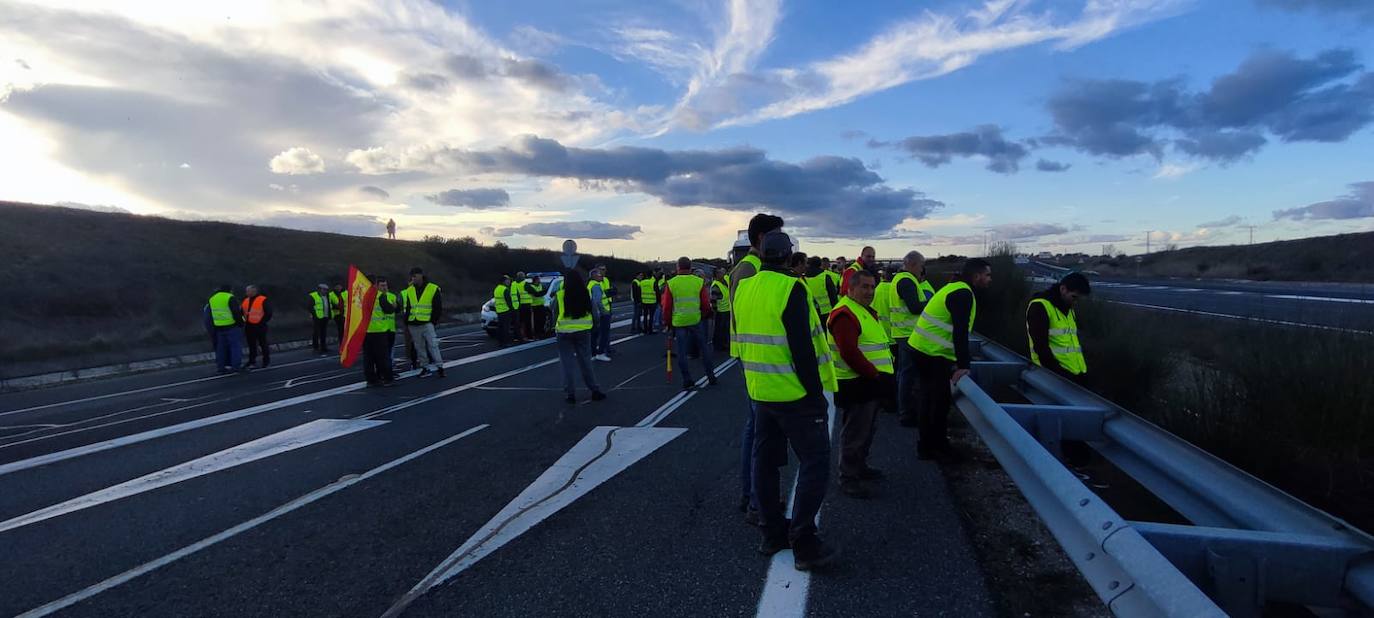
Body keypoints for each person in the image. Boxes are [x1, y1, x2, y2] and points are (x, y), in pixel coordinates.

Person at [735, 230, 840, 570]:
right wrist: (815, 394)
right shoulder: (792, 287)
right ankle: (805, 542)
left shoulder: (745, 287)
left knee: (765, 464)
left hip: (759, 391)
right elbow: (803, 349)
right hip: (794, 394)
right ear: (788, 255)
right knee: (815, 461)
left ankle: (771, 533)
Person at [906, 258, 992, 461]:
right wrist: (964, 365)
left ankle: (926, 446)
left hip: (921, 349)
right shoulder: (963, 293)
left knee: (928, 400)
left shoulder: (954, 287)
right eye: (987, 275)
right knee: (939, 402)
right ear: (976, 275)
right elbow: (959, 332)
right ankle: (937, 447)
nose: (990, 280)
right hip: (932, 354)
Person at [728, 213, 784, 523]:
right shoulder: (750, 268)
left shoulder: (753, 266)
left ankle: (752, 494)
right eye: (777, 235)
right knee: (758, 430)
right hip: (756, 357)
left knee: (757, 428)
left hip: (754, 355)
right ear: (762, 238)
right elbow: (748, 315)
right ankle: (753, 497)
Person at [828, 269, 893, 498]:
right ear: (851, 288)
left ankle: (860, 468)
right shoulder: (845, 313)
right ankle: (848, 478)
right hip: (857, 383)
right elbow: (849, 351)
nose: (869, 291)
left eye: (872, 287)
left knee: (867, 430)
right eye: (864, 287)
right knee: (855, 433)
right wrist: (873, 374)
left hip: (869, 382)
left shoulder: (862, 310)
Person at [663, 257, 718, 391]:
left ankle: (687, 379)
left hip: (679, 321)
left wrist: (668, 323)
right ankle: (711, 376)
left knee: (682, 352)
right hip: (695, 319)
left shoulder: (671, 283)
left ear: (678, 267)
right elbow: (705, 303)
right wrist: (706, 314)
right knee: (704, 349)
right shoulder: (699, 282)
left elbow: (667, 307)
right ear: (690, 267)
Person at [890, 251, 931, 427]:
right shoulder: (907, 280)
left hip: (903, 333)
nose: (922, 270)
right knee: (908, 375)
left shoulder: (899, 279)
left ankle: (904, 410)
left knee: (904, 374)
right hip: (909, 334)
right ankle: (906, 414)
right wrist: (933, 303)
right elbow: (914, 308)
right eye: (921, 266)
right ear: (913, 264)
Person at [554, 269, 607, 403]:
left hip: (564, 333)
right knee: (585, 362)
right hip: (583, 332)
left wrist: (555, 326)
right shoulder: (586, 294)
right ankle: (594, 390)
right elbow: (594, 313)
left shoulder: (560, 295)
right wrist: (595, 326)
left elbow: (554, 311)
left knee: (567, 364)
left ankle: (570, 394)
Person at [1027, 273, 1091, 383]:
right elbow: (1041, 348)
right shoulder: (1040, 306)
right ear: (1063, 289)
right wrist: (1060, 374)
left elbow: (1071, 343)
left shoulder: (1069, 309)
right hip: (1052, 378)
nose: (1075, 302)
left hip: (1076, 375)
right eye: (1074, 297)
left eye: (1078, 299)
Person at [402, 267, 446, 378]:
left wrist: (433, 321)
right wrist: (406, 321)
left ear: (421, 275)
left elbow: (437, 306)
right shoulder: (410, 290)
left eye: (415, 276)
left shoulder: (432, 288)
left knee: (433, 345)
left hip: (426, 322)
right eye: (412, 276)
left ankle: (440, 367)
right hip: (413, 322)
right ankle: (424, 367)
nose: (413, 278)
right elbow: (408, 307)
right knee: (419, 347)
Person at [363, 278, 399, 386]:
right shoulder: (379, 296)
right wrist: (393, 307)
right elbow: (388, 310)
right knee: (383, 357)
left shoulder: (360, 296)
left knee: (368, 358)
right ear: (374, 284)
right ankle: (388, 378)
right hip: (379, 331)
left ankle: (371, 380)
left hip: (366, 331)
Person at [208, 285, 246, 374]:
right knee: (235, 346)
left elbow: (210, 314)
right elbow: (236, 312)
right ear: (230, 290)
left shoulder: (212, 298)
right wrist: (241, 323)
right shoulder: (229, 297)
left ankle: (221, 367)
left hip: (218, 326)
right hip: (231, 325)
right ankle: (236, 366)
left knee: (221, 348)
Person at [241, 284, 273, 369]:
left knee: (263, 344)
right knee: (251, 345)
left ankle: (266, 361)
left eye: (248, 291)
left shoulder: (262, 299)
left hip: (260, 325)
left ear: (254, 291)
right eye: (246, 291)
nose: (247, 292)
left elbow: (268, 312)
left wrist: (262, 321)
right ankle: (252, 361)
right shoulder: (246, 300)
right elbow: (242, 312)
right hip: (249, 325)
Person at [803, 256, 837, 328]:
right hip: (827, 312)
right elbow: (833, 296)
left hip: (811, 313)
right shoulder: (825, 277)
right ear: (820, 264)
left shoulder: (803, 278)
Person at [589, 267, 612, 361]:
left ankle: (593, 353)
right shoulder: (596, 286)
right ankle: (600, 353)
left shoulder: (590, 284)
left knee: (594, 334)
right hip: (602, 313)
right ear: (594, 276)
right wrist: (604, 312)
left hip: (595, 313)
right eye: (599, 274)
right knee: (604, 334)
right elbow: (597, 302)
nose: (601, 275)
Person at [710, 269, 731, 353]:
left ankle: (724, 344)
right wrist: (715, 311)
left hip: (727, 310)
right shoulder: (716, 286)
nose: (723, 274)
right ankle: (719, 345)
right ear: (717, 275)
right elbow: (713, 300)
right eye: (720, 273)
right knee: (720, 330)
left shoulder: (724, 281)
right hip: (721, 311)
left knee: (725, 329)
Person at [308, 284, 332, 356]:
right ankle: (316, 347)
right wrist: (314, 315)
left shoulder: (327, 296)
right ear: (319, 289)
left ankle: (323, 347)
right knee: (316, 332)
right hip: (317, 317)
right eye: (323, 289)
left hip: (325, 316)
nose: (325, 291)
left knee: (323, 333)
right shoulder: (313, 296)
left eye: (326, 290)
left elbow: (329, 305)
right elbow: (310, 306)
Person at [493, 275, 515, 348]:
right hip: (506, 310)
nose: (509, 282)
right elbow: (509, 301)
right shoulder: (505, 290)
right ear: (504, 281)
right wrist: (512, 309)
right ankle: (505, 342)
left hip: (499, 311)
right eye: (507, 280)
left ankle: (500, 342)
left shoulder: (497, 289)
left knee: (500, 327)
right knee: (506, 328)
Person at [514, 271, 533, 342]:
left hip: (517, 305)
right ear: (523, 277)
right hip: (526, 305)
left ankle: (517, 337)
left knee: (519, 322)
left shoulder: (514, 284)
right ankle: (529, 336)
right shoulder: (525, 284)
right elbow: (533, 291)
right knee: (527, 322)